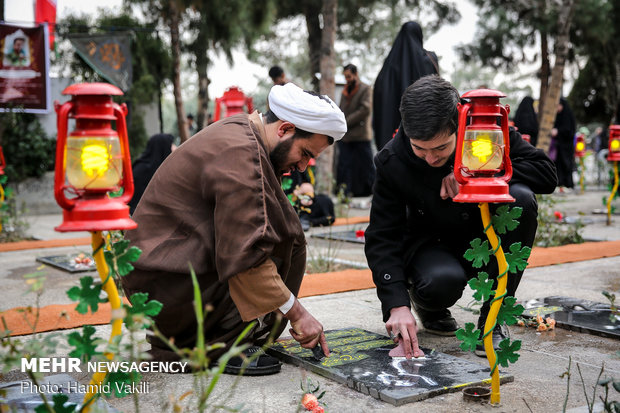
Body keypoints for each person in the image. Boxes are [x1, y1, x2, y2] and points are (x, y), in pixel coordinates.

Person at [122, 83, 346, 375]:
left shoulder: (245, 135)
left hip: (172, 271)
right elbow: (246, 257)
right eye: (304, 153)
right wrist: (298, 314)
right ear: (285, 129)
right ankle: (220, 345)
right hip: (166, 282)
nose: (303, 166)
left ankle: (223, 332)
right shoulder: (243, 155)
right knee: (261, 245)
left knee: (281, 231)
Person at [364, 75, 557, 359]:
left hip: (485, 237)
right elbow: (382, 234)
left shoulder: (485, 131)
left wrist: (474, 169)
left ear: (459, 122)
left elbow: (547, 174)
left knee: (522, 199)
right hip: (432, 244)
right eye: (420, 149)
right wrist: (396, 304)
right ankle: (429, 306)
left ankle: (493, 317)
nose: (430, 159)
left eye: (441, 148)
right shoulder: (392, 161)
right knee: (439, 283)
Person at [372, 21, 439, 151]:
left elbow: (379, 97)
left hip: (391, 142)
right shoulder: (428, 59)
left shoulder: (388, 67)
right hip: (424, 136)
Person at [337, 63, 375, 197]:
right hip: (346, 136)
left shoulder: (366, 89)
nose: (347, 79)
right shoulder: (345, 90)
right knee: (344, 165)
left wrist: (345, 122)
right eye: (345, 77)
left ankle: (373, 191)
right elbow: (341, 108)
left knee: (367, 164)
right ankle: (345, 192)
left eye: (349, 76)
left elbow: (365, 109)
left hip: (361, 135)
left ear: (355, 74)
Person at [128, 133, 176, 215]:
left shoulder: (163, 169)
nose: (175, 147)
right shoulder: (141, 171)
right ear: (163, 147)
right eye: (171, 144)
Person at [551, 97, 577, 191]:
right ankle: (560, 184)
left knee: (567, 164)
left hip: (567, 146)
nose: (557, 108)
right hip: (559, 146)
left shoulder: (567, 115)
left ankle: (568, 184)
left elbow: (569, 131)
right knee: (559, 165)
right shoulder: (558, 116)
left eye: (558, 105)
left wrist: (558, 131)